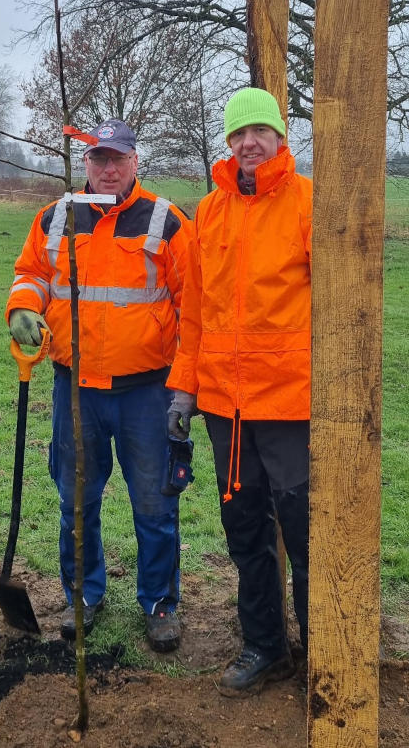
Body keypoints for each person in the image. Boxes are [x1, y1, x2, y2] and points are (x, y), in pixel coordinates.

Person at [6, 119, 191, 652]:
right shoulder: (56, 216)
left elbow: (193, 304)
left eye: (118, 158)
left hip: (146, 391)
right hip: (76, 388)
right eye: (99, 159)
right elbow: (31, 274)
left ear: (135, 161)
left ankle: (159, 603)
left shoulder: (166, 221)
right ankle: (82, 595)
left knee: (155, 504)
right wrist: (22, 307)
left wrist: (186, 385)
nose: (108, 169)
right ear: (86, 163)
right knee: (77, 501)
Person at [167, 87, 312, 695]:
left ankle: (326, 650)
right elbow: (195, 313)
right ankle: (266, 646)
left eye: (260, 131)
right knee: (246, 530)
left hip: (291, 402)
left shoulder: (308, 202)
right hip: (225, 407)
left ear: (280, 136)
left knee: (305, 531)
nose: (249, 143)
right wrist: (184, 390)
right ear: (228, 142)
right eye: (239, 134)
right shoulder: (208, 212)